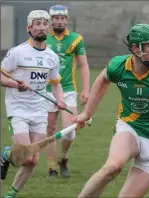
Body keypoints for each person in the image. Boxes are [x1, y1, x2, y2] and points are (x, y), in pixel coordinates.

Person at [72, 23, 149, 198]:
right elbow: (103, 80)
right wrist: (87, 113)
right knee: (112, 167)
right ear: (135, 48)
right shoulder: (119, 66)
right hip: (130, 127)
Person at [0, 10, 66, 198]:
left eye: (45, 23)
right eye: (37, 24)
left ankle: (10, 195)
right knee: (25, 156)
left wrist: (59, 99)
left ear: (49, 27)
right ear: (29, 28)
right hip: (18, 109)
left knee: (33, 160)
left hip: (39, 111)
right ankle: (6, 154)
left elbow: (55, 83)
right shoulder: (17, 52)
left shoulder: (52, 56)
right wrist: (15, 85)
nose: (41, 27)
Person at [45, 4, 90, 178]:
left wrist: (86, 89)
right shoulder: (43, 38)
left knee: (70, 128)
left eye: (62, 18)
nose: (59, 21)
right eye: (55, 18)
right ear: (51, 20)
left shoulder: (76, 39)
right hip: (47, 90)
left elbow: (84, 65)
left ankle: (62, 158)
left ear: (66, 20)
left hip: (69, 89)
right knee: (49, 128)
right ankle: (52, 167)